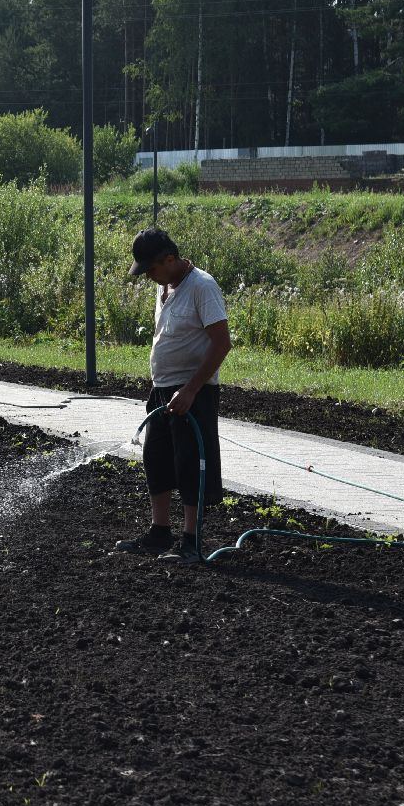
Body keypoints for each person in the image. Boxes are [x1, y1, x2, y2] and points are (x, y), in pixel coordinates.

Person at [114, 228, 232, 562]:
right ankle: (159, 532)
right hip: (163, 390)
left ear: (169, 259)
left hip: (193, 393)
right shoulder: (165, 287)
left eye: (151, 269)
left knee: (190, 463)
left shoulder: (202, 287)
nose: (149, 276)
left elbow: (222, 343)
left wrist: (191, 389)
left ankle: (191, 541)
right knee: (157, 459)